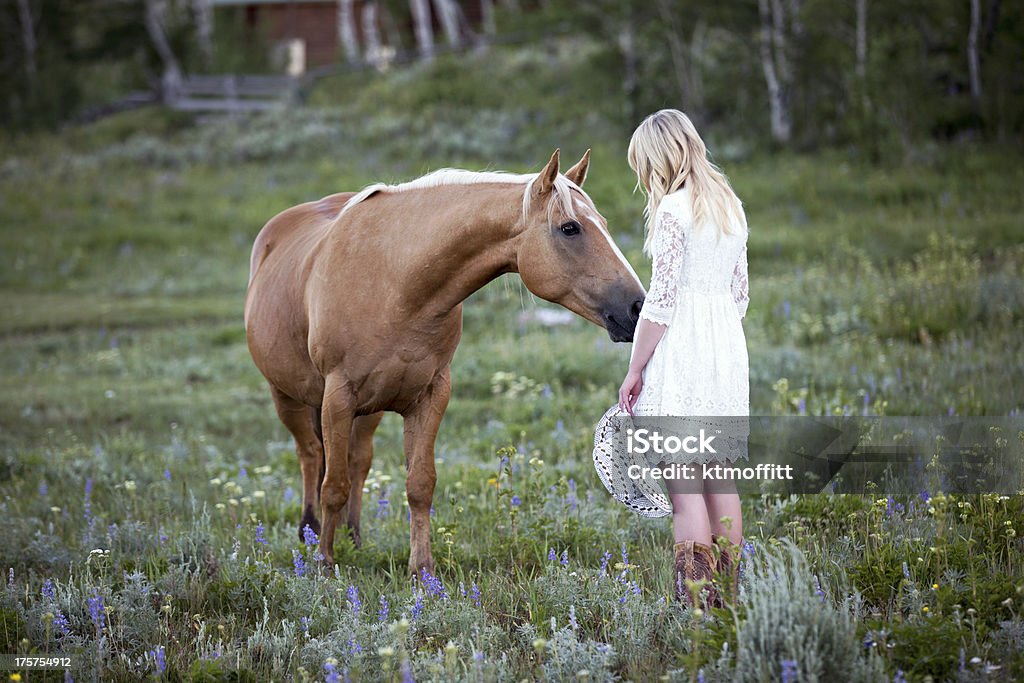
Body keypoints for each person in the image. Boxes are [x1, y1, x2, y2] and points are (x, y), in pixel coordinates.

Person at [617, 109, 750, 606]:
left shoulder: (673, 211)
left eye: (642, 165)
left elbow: (662, 300)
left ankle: (697, 604)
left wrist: (635, 369)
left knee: (684, 489)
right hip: (726, 353)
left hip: (684, 355)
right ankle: (729, 597)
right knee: (721, 480)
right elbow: (740, 295)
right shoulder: (731, 207)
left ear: (658, 158)